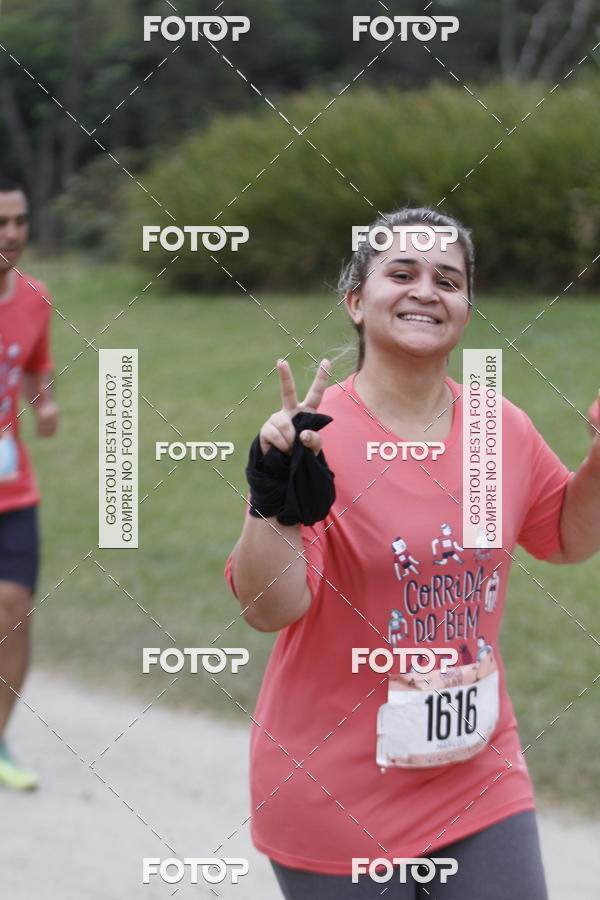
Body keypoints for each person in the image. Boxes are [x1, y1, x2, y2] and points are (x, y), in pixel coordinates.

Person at [224, 207, 600, 898]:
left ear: (465, 306)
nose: (427, 290)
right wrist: (273, 499)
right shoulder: (317, 439)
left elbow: (566, 537)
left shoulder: (495, 428)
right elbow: (268, 608)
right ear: (356, 302)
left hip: (478, 774)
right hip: (335, 790)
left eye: (448, 279)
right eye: (402, 273)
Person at [0, 177, 59, 790]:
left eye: (18, 221)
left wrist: (44, 404)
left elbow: (36, 362)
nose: (12, 234)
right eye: (0, 223)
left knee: (15, 610)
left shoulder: (35, 297)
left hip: (12, 488)